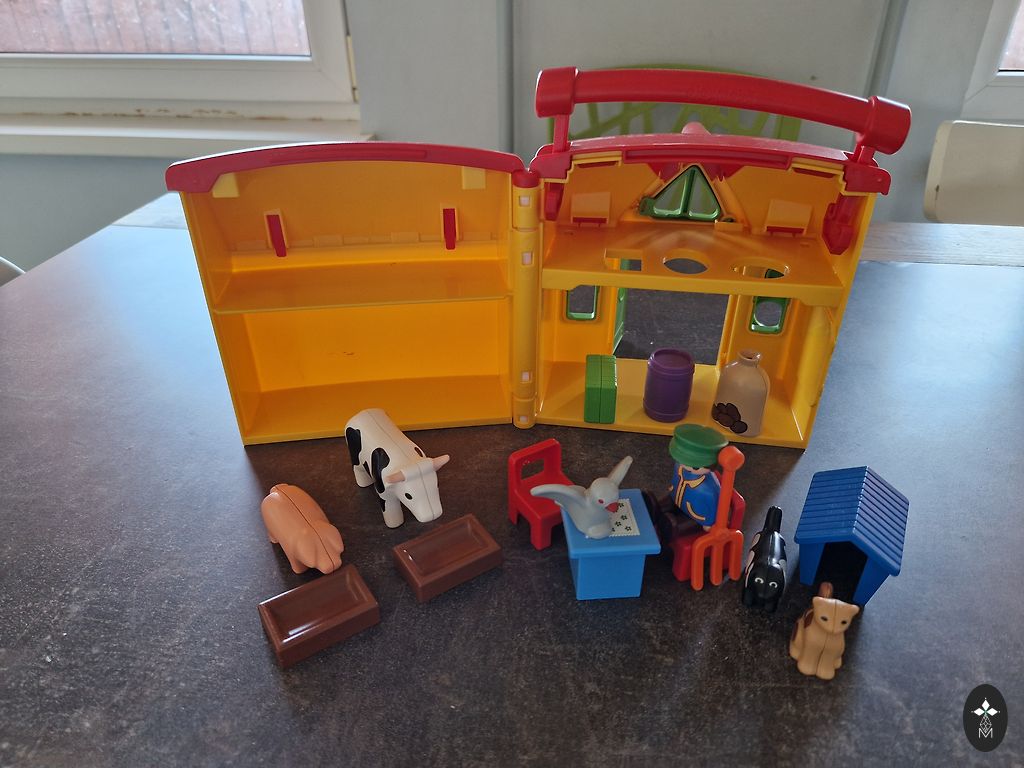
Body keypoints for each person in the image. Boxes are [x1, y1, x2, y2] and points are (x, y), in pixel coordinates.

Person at [649, 424, 727, 542]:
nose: (686, 466)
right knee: (657, 506)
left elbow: (713, 507)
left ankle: (659, 538)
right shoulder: (680, 468)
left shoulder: (708, 490)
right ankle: (652, 515)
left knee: (671, 526)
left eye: (695, 466)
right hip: (676, 501)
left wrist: (709, 523)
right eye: (683, 460)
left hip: (695, 517)